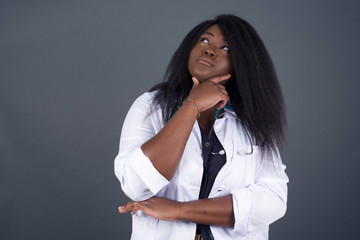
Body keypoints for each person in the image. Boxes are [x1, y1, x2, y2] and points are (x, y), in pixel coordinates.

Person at [114, 14, 288, 240]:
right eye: (205, 40)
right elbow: (136, 186)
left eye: (225, 47)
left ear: (241, 64)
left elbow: (272, 201)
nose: (210, 50)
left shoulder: (253, 120)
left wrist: (179, 211)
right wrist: (191, 106)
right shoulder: (150, 107)